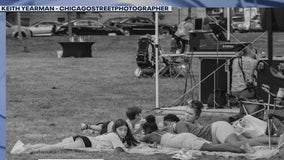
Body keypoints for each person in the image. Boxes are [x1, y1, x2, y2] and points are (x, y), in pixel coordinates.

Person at [10, 119, 139, 154]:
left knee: (54, 146)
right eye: (120, 129)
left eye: (125, 130)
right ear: (116, 130)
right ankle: (32, 151)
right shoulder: (114, 136)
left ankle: (29, 146)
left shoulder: (113, 135)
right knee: (58, 148)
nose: (123, 132)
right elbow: (122, 150)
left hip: (83, 139)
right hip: (86, 142)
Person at [140, 115, 251, 153]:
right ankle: (239, 147)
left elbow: (139, 140)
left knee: (213, 148)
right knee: (212, 146)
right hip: (186, 138)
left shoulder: (150, 136)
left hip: (184, 140)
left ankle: (240, 149)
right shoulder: (162, 133)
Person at [163, 113, 280, 147]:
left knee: (235, 144)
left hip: (217, 130)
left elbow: (186, 138)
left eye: (166, 125)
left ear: (172, 122)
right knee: (247, 142)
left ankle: (275, 140)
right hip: (218, 130)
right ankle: (274, 141)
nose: (165, 127)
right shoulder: (182, 124)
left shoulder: (178, 125)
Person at [230, 44, 262, 119]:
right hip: (245, 91)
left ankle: (243, 113)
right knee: (261, 96)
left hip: (234, 90)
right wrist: (258, 56)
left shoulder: (234, 60)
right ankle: (256, 117)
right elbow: (261, 65)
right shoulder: (253, 62)